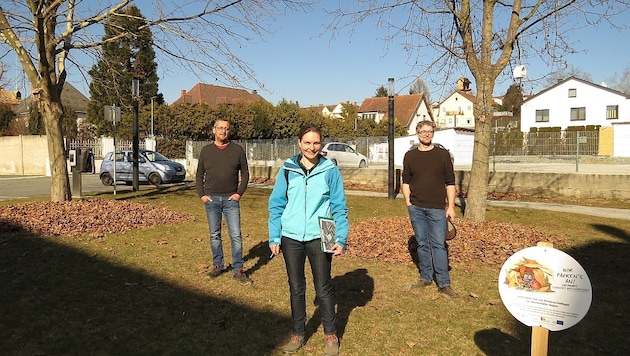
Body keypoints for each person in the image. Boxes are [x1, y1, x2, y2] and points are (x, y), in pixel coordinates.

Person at [268, 124, 348, 356]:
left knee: (323, 287)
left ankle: (331, 335)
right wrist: (275, 235)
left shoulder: (330, 170)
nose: (312, 147)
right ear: (299, 143)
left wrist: (340, 238)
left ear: (321, 144)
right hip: (290, 236)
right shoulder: (288, 168)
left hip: (321, 234)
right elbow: (276, 204)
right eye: (307, 143)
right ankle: (297, 333)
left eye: (316, 143)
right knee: (296, 287)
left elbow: (339, 207)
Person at [401, 120, 459, 298]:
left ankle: (443, 283)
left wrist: (450, 207)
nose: (427, 134)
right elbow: (406, 181)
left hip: (436, 209)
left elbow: (450, 182)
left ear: (433, 133)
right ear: (417, 134)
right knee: (423, 243)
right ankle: (425, 277)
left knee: (439, 245)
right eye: (423, 131)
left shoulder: (442, 155)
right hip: (416, 207)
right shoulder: (410, 156)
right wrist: (409, 202)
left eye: (430, 131)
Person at [196, 119, 252, 286]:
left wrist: (238, 194)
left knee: (236, 235)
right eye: (220, 128)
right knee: (215, 234)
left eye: (226, 129)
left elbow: (246, 173)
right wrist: (202, 195)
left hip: (231, 200)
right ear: (214, 130)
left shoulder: (237, 150)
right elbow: (199, 175)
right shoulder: (206, 151)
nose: (223, 131)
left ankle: (238, 270)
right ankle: (218, 266)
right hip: (211, 199)